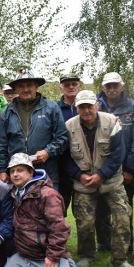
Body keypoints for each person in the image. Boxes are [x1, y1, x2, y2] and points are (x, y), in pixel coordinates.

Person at [64, 90, 134, 267]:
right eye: (82, 107)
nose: (87, 110)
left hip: (111, 181)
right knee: (85, 222)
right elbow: (64, 158)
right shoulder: (68, 126)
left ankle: (120, 259)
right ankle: (86, 256)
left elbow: (118, 154)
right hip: (83, 182)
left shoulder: (111, 122)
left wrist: (101, 175)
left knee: (122, 216)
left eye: (90, 105)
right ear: (76, 108)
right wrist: (79, 175)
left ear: (97, 105)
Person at [0, 153, 79, 267]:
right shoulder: (13, 192)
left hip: (45, 255)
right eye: (12, 171)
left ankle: (67, 265)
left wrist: (53, 256)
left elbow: (59, 228)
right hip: (24, 254)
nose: (15, 174)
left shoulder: (47, 194)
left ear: (31, 172)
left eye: (20, 170)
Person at [0, 70, 68, 189]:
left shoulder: (51, 108)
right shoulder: (8, 112)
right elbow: (1, 144)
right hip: (16, 175)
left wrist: (48, 152)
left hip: (46, 173)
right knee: (17, 207)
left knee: (49, 207)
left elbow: (62, 138)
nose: (25, 89)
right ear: (15, 89)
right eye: (21, 86)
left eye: (29, 85)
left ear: (36, 86)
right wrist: (2, 170)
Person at [96, 72, 134, 257]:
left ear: (122, 86)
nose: (112, 89)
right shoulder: (96, 106)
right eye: (109, 86)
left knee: (124, 209)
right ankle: (105, 244)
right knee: (100, 210)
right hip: (99, 168)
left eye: (116, 86)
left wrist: (130, 169)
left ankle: (126, 248)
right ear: (103, 88)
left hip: (124, 171)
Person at [56, 73, 82, 214]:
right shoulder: (54, 109)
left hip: (84, 167)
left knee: (84, 212)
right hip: (61, 168)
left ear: (79, 86)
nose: (71, 87)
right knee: (59, 210)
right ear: (61, 88)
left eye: (74, 84)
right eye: (67, 85)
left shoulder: (89, 107)